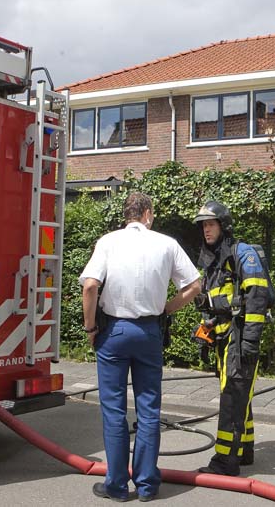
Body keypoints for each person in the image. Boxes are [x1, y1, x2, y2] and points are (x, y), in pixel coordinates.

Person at [80, 192, 200, 502]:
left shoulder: (108, 241)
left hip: (114, 332)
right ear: (146, 214)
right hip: (149, 332)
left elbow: (91, 285)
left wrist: (91, 326)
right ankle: (147, 485)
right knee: (149, 410)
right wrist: (168, 308)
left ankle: (117, 486)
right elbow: (194, 285)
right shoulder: (166, 243)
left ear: (127, 215)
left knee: (114, 411)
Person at [192, 201, 272, 477]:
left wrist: (250, 341)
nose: (206, 230)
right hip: (224, 338)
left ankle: (225, 461)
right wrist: (205, 333)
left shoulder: (243, 254)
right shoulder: (213, 260)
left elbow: (257, 297)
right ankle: (245, 450)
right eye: (203, 225)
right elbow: (211, 304)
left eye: (210, 224)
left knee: (232, 398)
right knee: (241, 397)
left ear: (224, 226)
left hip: (239, 338)